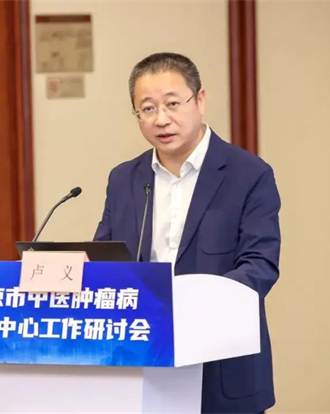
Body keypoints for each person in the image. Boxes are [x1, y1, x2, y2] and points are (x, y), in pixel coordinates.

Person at [93, 52, 281, 413]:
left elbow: (260, 266)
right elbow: (107, 258)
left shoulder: (249, 173)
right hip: (142, 368)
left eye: (172, 104)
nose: (161, 119)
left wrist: (192, 310)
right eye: (147, 109)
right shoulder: (124, 179)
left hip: (222, 366)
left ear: (200, 100)